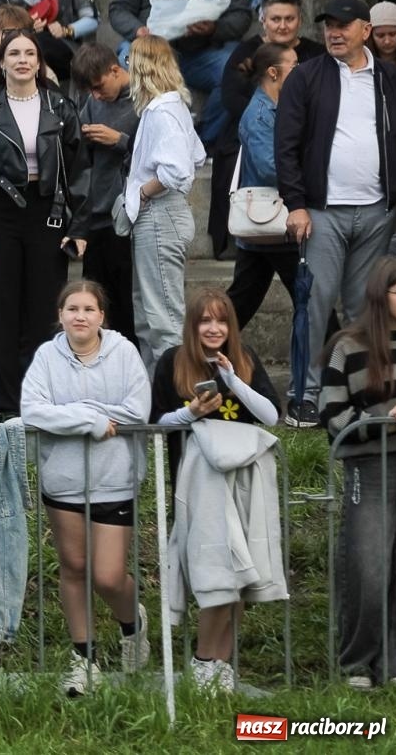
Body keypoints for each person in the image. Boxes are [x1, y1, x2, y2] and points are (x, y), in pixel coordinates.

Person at [21, 279, 152, 696]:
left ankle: (134, 624)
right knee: (74, 569)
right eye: (72, 308)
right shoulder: (46, 355)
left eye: (89, 309)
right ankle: (85, 659)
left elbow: (136, 411)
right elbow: (32, 411)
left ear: (101, 316)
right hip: (63, 482)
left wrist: (67, 414)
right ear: (60, 316)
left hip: (114, 479)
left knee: (109, 576)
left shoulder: (125, 352)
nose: (80, 316)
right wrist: (92, 421)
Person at [150, 288, 281, 691]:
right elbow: (155, 423)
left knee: (241, 574)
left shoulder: (244, 360)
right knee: (217, 572)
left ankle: (220, 664)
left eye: (221, 320)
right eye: (205, 320)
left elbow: (272, 415)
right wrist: (191, 412)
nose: (214, 328)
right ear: (193, 325)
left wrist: (232, 381)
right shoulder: (173, 361)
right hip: (198, 484)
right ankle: (203, 659)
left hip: (243, 481)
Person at [277, 0, 396, 414]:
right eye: (329, 24)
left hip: (378, 212)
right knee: (315, 303)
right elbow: (286, 146)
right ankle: (306, 395)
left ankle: (351, 391)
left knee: (364, 310)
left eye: (343, 25)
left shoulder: (390, 78)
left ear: (366, 30)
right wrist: (295, 204)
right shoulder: (305, 77)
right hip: (321, 212)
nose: (333, 31)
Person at [0, 30, 89, 418]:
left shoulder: (60, 107)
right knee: (0, 310)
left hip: (47, 213)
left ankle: (39, 399)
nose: (22, 59)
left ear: (39, 62)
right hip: (1, 214)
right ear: (0, 62)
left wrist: (79, 226)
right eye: (13, 53)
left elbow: (80, 171)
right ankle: (2, 404)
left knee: (42, 311)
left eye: (29, 53)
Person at [319, 257, 396, 690]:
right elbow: (330, 414)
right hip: (370, 463)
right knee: (368, 565)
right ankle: (357, 663)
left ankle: (395, 663)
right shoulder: (348, 346)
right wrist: (383, 417)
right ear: (379, 296)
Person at [107, 0, 252, 145]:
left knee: (233, 69)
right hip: (153, 50)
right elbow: (118, 9)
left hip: (200, 53)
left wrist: (215, 28)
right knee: (127, 57)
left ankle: (204, 139)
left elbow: (242, 14)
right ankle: (141, 139)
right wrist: (139, 30)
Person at [122, 35, 206, 363]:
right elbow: (197, 155)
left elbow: (177, 171)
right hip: (166, 214)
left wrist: (142, 191)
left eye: (130, 61)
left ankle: (177, 395)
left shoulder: (161, 111)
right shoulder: (175, 107)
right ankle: (156, 395)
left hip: (159, 213)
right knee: (151, 313)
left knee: (162, 317)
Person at [71, 43, 138, 338]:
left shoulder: (143, 99)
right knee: (95, 302)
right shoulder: (93, 101)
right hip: (94, 216)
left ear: (116, 70)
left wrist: (120, 140)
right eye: (90, 91)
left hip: (125, 218)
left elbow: (162, 155)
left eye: (99, 87)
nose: (97, 96)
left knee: (126, 306)